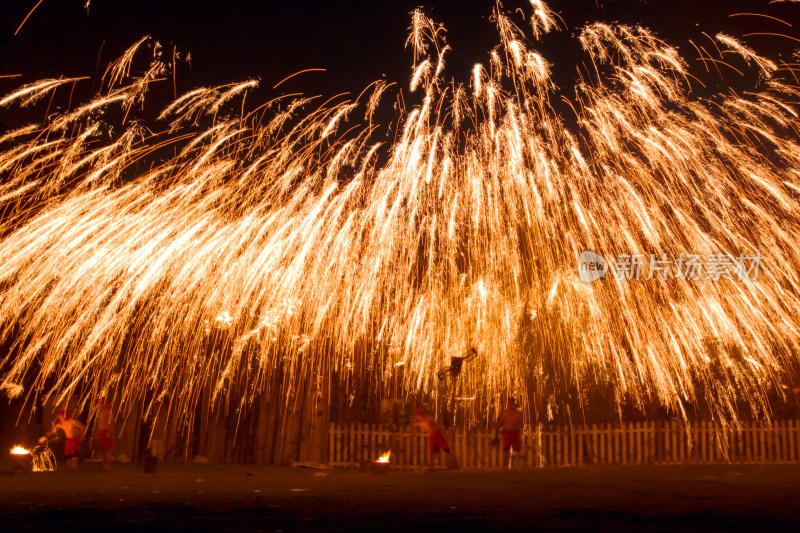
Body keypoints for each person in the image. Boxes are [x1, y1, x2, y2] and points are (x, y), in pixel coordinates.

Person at [494, 397, 524, 466]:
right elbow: (500, 424)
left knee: (516, 451)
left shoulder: (518, 413)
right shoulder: (504, 413)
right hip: (507, 434)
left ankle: (516, 466)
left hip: (515, 433)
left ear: (515, 404)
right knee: (506, 451)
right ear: (508, 404)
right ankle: (505, 466)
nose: (511, 405)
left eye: (512, 403)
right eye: (510, 403)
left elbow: (521, 424)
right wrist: (496, 433)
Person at [95, 397, 114, 470]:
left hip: (106, 431)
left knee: (107, 449)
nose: (98, 405)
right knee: (102, 449)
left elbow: (111, 422)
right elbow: (99, 423)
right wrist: (97, 432)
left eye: (99, 403)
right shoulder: (100, 411)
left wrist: (108, 433)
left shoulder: (108, 411)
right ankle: (104, 464)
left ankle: (107, 465)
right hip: (101, 432)